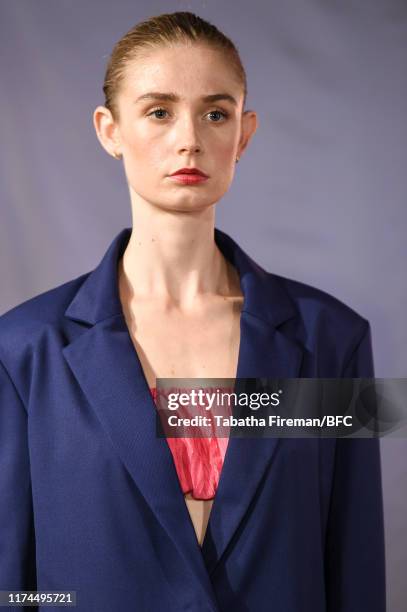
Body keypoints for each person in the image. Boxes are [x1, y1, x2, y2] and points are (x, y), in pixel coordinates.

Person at [0, 11, 385, 612]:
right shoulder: (22, 350)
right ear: (109, 130)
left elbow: (354, 565)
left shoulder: (332, 338)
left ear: (245, 134)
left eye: (215, 113)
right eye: (158, 111)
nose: (190, 139)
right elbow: (12, 582)